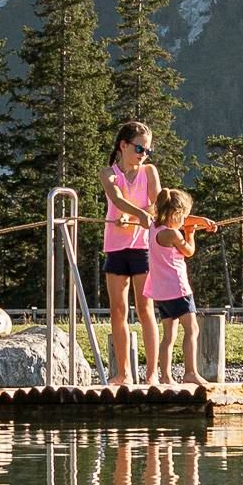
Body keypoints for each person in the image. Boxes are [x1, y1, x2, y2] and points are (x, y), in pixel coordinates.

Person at [101, 120, 161, 386]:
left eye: (147, 150)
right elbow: (116, 198)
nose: (143, 154)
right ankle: (123, 373)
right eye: (139, 148)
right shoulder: (109, 173)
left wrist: (134, 216)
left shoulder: (149, 172)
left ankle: (152, 373)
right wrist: (131, 214)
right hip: (116, 247)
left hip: (142, 247)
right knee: (118, 310)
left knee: (146, 308)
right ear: (123, 145)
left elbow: (157, 204)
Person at [147, 188, 205, 386]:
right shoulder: (172, 234)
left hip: (161, 292)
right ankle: (190, 372)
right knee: (192, 329)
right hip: (178, 289)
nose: (184, 221)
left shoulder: (153, 228)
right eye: (183, 217)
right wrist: (190, 234)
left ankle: (166, 376)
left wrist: (202, 221)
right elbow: (189, 251)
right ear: (175, 214)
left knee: (169, 336)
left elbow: (181, 221)